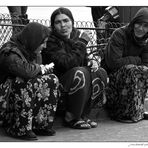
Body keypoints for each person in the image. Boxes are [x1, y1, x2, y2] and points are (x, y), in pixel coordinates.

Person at [42, 7, 108, 129]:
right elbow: (66, 63)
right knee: (80, 72)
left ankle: (83, 114)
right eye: (58, 22)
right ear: (53, 25)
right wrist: (82, 43)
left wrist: (91, 62)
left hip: (77, 78)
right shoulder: (50, 40)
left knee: (100, 72)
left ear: (72, 21)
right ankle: (71, 117)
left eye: (66, 20)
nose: (63, 25)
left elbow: (82, 59)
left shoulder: (76, 35)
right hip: (59, 81)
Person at [0, 22, 59, 140]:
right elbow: (26, 72)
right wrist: (41, 69)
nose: (45, 46)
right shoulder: (9, 51)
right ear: (34, 40)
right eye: (43, 42)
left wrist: (41, 70)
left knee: (51, 79)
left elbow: (35, 72)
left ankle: (40, 124)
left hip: (20, 101)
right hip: (5, 106)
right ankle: (19, 128)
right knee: (22, 80)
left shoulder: (33, 52)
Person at [103, 7, 148, 122]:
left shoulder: (146, 41)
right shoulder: (119, 34)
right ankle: (122, 113)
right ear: (133, 22)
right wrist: (137, 60)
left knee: (142, 70)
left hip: (133, 78)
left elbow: (146, 65)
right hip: (112, 79)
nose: (141, 29)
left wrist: (136, 63)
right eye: (138, 24)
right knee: (131, 69)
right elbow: (113, 63)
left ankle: (136, 111)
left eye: (146, 26)